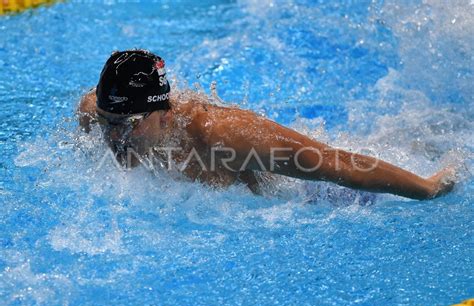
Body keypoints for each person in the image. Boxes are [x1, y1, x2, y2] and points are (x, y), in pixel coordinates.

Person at [77, 49, 456, 200]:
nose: (115, 136)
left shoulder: (224, 137)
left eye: (127, 124)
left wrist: (427, 188)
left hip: (301, 195)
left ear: (165, 113)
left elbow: (336, 164)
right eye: (108, 121)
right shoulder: (98, 110)